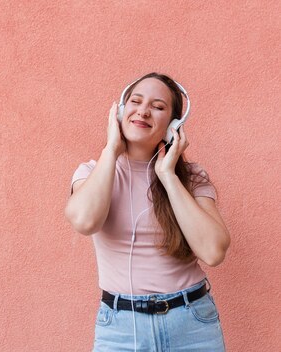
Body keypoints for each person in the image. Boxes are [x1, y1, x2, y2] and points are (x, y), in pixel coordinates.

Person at [64, 72, 230, 351]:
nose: (143, 111)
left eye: (158, 106)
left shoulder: (191, 177)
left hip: (191, 324)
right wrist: (111, 149)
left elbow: (213, 252)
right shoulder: (92, 172)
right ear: (119, 111)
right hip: (120, 328)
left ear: (174, 124)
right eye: (136, 101)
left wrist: (168, 176)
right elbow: (84, 221)